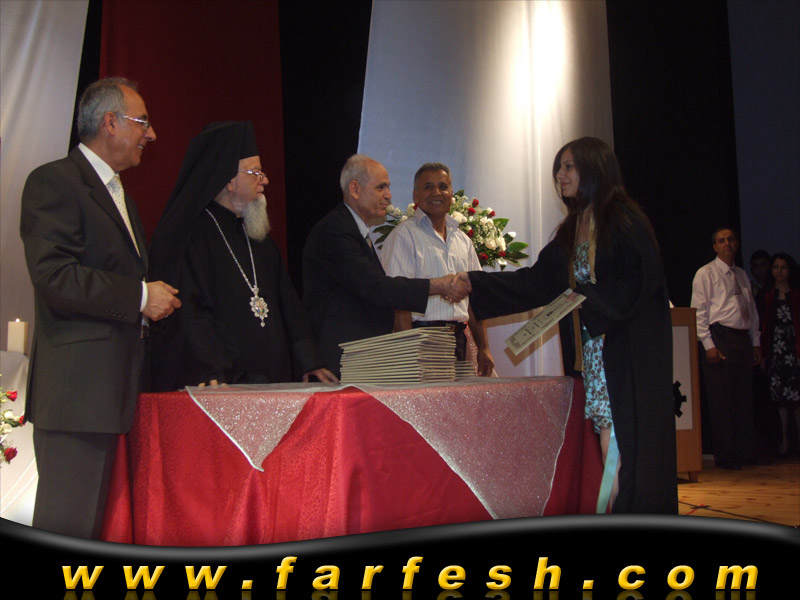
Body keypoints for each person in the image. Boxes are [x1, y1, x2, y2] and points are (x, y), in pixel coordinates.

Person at [459, 137, 677, 514]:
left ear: (595, 169)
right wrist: (472, 283)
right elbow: (536, 282)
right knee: (610, 441)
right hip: (595, 356)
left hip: (627, 356)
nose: (560, 175)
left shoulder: (625, 221)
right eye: (559, 168)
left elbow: (639, 286)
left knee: (625, 445)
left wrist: (587, 299)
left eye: (569, 166)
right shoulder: (573, 227)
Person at [19, 77, 181, 538]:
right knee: (66, 527)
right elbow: (54, 276)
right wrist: (140, 296)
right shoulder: (55, 180)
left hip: (111, 396)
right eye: (142, 122)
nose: (151, 134)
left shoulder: (119, 193)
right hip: (77, 398)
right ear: (110, 122)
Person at [148, 121, 337, 389]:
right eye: (255, 173)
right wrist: (211, 368)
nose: (265, 180)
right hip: (223, 382)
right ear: (228, 179)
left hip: (273, 381)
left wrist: (309, 360)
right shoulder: (189, 237)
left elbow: (288, 304)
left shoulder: (258, 238)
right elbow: (191, 314)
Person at [302, 154, 471, 376]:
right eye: (381, 187)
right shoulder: (336, 230)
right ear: (355, 189)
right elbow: (375, 287)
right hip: (340, 359)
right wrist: (438, 285)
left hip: (357, 356)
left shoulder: (354, 229)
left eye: (388, 187)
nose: (389, 196)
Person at [380, 163, 494, 376]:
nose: (436, 193)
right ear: (416, 195)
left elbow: (476, 300)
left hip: (459, 340)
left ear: (451, 194)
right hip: (421, 341)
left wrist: (484, 348)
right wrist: (408, 355)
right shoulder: (404, 236)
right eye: (428, 187)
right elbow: (398, 301)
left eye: (443, 187)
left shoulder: (463, 241)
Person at [691, 227, 762, 469]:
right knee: (722, 399)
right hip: (720, 336)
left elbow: (751, 311)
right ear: (715, 246)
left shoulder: (741, 274)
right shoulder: (706, 274)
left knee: (743, 397)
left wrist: (755, 342)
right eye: (721, 241)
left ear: (737, 243)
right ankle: (726, 454)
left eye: (730, 239)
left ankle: (745, 451)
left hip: (741, 337)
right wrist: (708, 344)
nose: (727, 244)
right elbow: (699, 312)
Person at [759, 252, 800, 456]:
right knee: (780, 398)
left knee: (796, 396)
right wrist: (763, 352)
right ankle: (784, 439)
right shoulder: (767, 295)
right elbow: (762, 326)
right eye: (776, 267)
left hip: (795, 350)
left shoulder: (797, 293)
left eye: (783, 267)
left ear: (790, 270)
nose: (779, 271)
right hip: (775, 351)